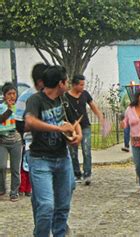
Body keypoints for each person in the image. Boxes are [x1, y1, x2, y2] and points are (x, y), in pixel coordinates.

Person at [25, 65, 82, 236]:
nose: (67, 85)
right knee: (46, 205)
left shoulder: (63, 100)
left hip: (62, 158)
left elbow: (74, 121)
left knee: (63, 206)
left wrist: (77, 135)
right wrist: (57, 129)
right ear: (60, 83)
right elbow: (30, 121)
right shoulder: (36, 100)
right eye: (66, 81)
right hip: (40, 159)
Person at [65, 75, 105, 185]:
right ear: (74, 85)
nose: (83, 87)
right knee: (73, 151)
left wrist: (100, 116)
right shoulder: (65, 96)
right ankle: (76, 173)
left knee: (86, 150)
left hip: (85, 126)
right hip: (72, 127)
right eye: (81, 84)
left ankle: (87, 174)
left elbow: (93, 106)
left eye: (84, 84)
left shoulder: (85, 94)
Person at [15, 63, 48, 197]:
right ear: (41, 81)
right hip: (34, 145)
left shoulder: (51, 95)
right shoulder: (26, 97)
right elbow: (19, 124)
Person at [0, 83, 22, 202]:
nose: (12, 96)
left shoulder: (19, 107)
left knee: (15, 168)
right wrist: (9, 109)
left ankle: (14, 191)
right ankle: (1, 188)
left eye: (14, 94)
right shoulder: (1, 107)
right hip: (2, 140)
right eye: (9, 94)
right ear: (4, 95)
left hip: (16, 140)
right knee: (1, 166)